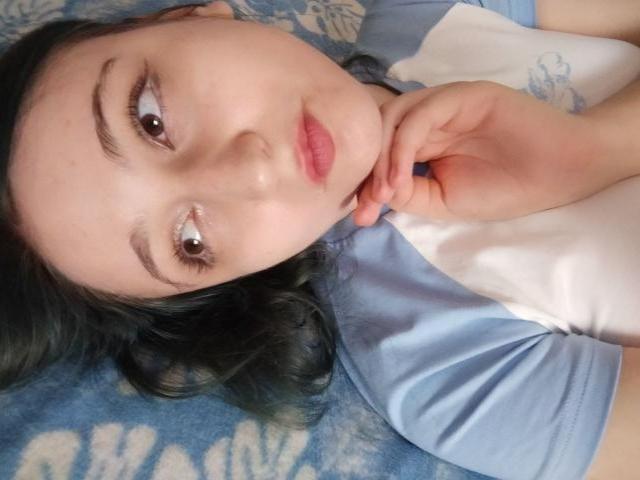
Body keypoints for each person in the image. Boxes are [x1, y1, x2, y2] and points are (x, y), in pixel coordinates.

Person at [1, 0, 639, 478]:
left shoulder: (436, 8)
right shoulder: (443, 371)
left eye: (150, 118)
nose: (250, 170)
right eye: (190, 241)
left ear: (187, 15)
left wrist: (604, 143)